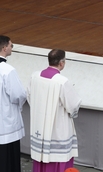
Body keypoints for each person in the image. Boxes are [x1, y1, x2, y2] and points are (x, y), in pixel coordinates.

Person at [28, 49, 80, 172]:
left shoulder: (34, 76)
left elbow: (30, 97)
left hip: (39, 126)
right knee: (58, 158)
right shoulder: (62, 82)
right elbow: (73, 105)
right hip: (58, 128)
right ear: (61, 63)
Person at [0, 36, 26, 172]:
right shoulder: (7, 70)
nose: (11, 47)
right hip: (5, 124)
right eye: (11, 45)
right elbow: (19, 94)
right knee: (7, 161)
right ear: (4, 48)